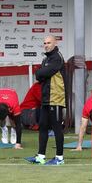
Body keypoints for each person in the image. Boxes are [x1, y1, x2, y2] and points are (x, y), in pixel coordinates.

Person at [30, 35, 67, 165]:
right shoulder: (46, 59)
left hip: (56, 98)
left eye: (49, 42)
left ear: (55, 43)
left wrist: (41, 73)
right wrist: (41, 73)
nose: (46, 45)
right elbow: (39, 76)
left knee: (57, 128)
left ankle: (59, 158)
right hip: (45, 98)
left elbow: (41, 73)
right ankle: (41, 156)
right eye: (44, 43)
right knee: (43, 127)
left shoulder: (57, 58)